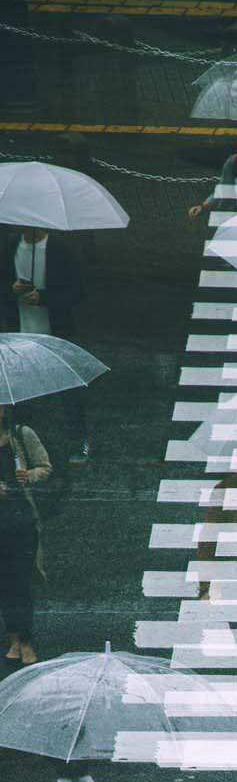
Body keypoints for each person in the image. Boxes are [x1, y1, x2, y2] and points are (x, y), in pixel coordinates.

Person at [0, 226, 90, 464]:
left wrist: (44, 298)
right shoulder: (8, 246)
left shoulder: (61, 249)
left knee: (69, 392)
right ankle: (23, 450)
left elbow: (77, 291)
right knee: (19, 395)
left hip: (55, 332)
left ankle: (77, 440)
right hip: (18, 332)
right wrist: (11, 289)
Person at [0, 407, 51, 664]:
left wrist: (29, 475)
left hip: (21, 522)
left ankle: (26, 640)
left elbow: (45, 466)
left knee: (20, 582)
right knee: (4, 584)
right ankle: (13, 638)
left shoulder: (22, 435)